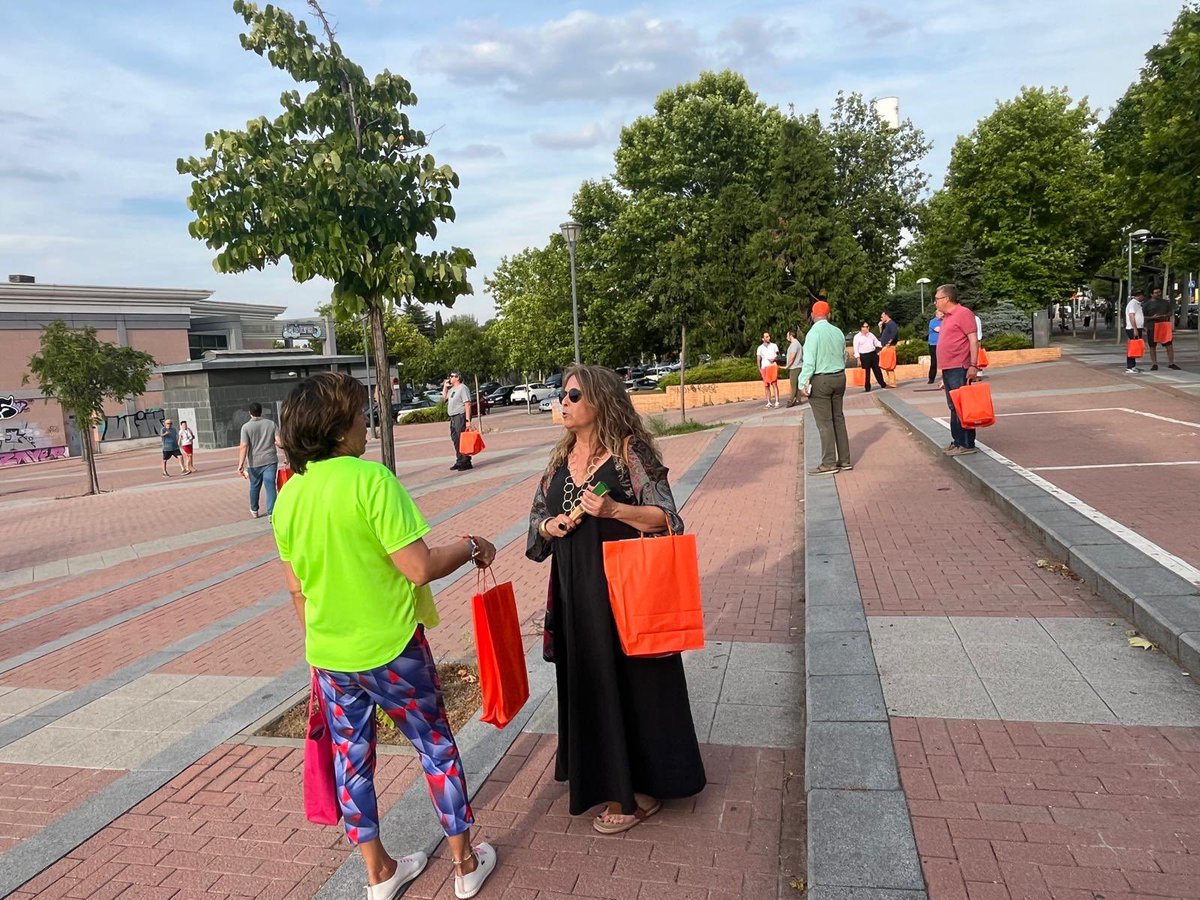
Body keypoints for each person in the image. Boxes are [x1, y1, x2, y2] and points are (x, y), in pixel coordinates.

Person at [274, 372, 499, 900]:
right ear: (336, 427)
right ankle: (465, 864)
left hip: (330, 653)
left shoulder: (289, 497)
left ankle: (379, 874)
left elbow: (297, 590)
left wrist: (323, 642)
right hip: (393, 646)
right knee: (435, 748)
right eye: (357, 414)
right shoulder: (372, 482)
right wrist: (470, 545)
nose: (365, 422)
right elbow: (418, 567)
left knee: (351, 759)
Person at [526, 365, 706, 835]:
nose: (562, 402)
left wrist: (613, 510)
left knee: (634, 686)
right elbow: (535, 526)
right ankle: (608, 780)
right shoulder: (559, 461)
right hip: (575, 593)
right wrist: (551, 526)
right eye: (560, 394)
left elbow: (668, 519)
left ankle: (640, 794)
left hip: (627, 594)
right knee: (591, 685)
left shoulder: (630, 452)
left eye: (572, 395)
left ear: (600, 401)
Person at [798, 301, 850, 474]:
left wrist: (802, 382)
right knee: (838, 419)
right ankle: (844, 460)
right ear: (829, 314)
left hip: (822, 380)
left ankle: (828, 463)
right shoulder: (838, 332)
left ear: (812, 316)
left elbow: (809, 362)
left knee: (824, 422)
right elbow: (843, 355)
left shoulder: (813, 334)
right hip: (839, 377)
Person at [935, 284, 981, 457]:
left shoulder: (963, 314)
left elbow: (973, 340)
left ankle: (967, 443)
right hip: (948, 368)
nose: (935, 302)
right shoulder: (947, 317)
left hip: (959, 367)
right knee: (953, 407)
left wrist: (973, 365)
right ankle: (957, 441)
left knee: (962, 406)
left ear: (947, 298)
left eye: (937, 299)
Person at [237, 402, 279, 519]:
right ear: (261, 411)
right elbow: (279, 441)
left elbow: (244, 446)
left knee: (255, 486)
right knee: (270, 485)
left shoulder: (246, 427)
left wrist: (240, 464)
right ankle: (271, 512)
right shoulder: (271, 424)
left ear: (250, 413)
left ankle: (254, 509)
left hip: (254, 462)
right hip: (270, 460)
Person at [1144, 287, 1181, 371]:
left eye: (1159, 292)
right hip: (1152, 326)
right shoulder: (1147, 304)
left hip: (1164, 325)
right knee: (1152, 346)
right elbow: (1142, 316)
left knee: (1169, 345)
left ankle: (1171, 363)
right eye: (1156, 292)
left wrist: (1166, 315)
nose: (1158, 294)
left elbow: (1170, 312)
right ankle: (1154, 364)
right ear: (1151, 294)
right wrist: (1151, 317)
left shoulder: (1165, 302)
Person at [443, 372, 474, 471]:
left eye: (452, 376)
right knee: (455, 439)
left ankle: (466, 461)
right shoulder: (452, 390)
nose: (450, 378)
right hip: (452, 417)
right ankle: (459, 460)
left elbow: (467, 404)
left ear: (458, 378)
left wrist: (468, 420)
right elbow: (444, 398)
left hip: (460, 416)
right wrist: (445, 386)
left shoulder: (463, 388)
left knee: (462, 439)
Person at [852, 323, 885, 393]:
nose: (865, 328)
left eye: (866, 327)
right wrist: (858, 359)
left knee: (877, 370)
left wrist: (884, 346)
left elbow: (877, 343)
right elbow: (856, 349)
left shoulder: (871, 335)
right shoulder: (857, 337)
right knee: (866, 372)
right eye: (863, 327)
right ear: (861, 328)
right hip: (864, 356)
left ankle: (882, 384)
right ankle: (867, 387)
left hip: (873, 354)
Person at [756, 332, 780, 408]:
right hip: (764, 367)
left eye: (769, 336)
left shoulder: (774, 345)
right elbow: (758, 358)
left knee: (774, 384)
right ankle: (769, 402)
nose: (768, 338)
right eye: (766, 337)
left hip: (772, 366)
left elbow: (778, 355)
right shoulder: (760, 348)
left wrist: (774, 358)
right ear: (763, 339)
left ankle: (777, 401)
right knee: (766, 385)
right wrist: (759, 369)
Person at [1125, 290, 1145, 375]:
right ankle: (1129, 367)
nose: (1144, 298)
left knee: (1135, 347)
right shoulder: (1133, 304)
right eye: (1143, 296)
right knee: (1133, 347)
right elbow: (1131, 316)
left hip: (1137, 328)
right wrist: (1135, 328)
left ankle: (1132, 366)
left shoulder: (1137, 304)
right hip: (1132, 328)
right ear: (1139, 296)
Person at [878, 311, 899, 388]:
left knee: (889, 365)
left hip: (889, 346)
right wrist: (880, 327)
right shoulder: (885, 325)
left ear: (886, 316)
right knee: (886, 365)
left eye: (882, 316)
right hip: (885, 346)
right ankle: (891, 382)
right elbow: (881, 335)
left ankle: (892, 383)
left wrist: (889, 342)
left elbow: (894, 333)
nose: (881, 318)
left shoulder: (891, 324)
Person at [784, 330, 804, 407]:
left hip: (794, 367)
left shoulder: (794, 344)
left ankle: (791, 400)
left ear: (791, 336)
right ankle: (798, 399)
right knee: (798, 384)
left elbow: (792, 356)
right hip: (798, 366)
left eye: (787, 336)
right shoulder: (797, 343)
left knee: (793, 385)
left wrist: (787, 365)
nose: (787, 337)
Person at [927, 310, 942, 385]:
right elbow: (938, 329)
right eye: (940, 313)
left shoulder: (944, 321)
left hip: (942, 344)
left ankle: (945, 377)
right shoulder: (932, 322)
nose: (941, 315)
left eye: (942, 313)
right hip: (933, 344)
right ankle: (931, 378)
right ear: (936, 314)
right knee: (934, 361)